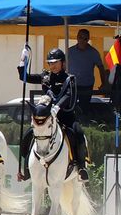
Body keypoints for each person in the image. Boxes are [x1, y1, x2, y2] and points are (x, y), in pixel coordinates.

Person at [18, 46, 89, 181]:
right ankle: (27, 169)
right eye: (50, 63)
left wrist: (57, 107)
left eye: (55, 62)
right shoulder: (45, 77)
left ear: (63, 63)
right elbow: (24, 77)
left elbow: (68, 95)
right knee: (28, 135)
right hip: (48, 119)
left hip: (65, 116)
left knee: (78, 134)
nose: (52, 65)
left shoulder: (70, 79)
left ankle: (81, 167)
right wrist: (22, 61)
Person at [66, 29, 102, 121]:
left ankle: (84, 127)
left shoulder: (94, 52)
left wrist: (104, 83)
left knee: (84, 110)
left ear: (88, 39)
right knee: (70, 108)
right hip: (72, 85)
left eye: (85, 38)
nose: (83, 40)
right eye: (81, 37)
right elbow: (62, 67)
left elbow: (101, 68)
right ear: (77, 38)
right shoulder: (70, 51)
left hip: (87, 86)